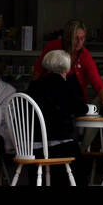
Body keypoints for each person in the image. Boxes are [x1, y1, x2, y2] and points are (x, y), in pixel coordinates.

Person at [27, 49, 88, 186]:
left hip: (32, 146)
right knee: (79, 161)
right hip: (58, 145)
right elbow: (81, 108)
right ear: (66, 67)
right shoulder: (65, 86)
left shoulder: (34, 85)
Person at [32, 19, 103, 105]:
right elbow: (37, 72)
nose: (79, 42)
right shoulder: (53, 47)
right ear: (68, 37)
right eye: (75, 38)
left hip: (76, 103)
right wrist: (33, 94)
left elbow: (97, 82)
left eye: (82, 38)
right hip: (49, 100)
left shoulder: (85, 56)